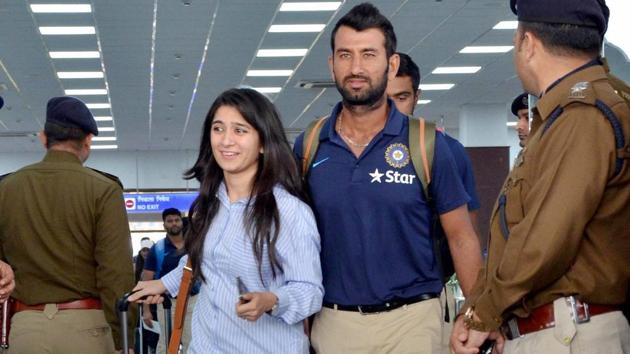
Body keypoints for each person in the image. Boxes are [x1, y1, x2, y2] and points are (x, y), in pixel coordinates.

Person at [293, 3, 482, 353]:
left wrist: (476, 314)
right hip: (333, 323)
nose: (356, 68)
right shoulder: (309, 145)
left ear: (390, 64)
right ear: (331, 64)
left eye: (368, 54)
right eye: (345, 55)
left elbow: (462, 237)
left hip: (411, 321)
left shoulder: (428, 145)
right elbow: (291, 239)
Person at [451, 0, 630, 353]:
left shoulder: (582, 116)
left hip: (568, 333)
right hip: (559, 328)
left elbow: (544, 239)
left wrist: (482, 314)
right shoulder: (571, 112)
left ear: (527, 44)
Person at [129, 88, 323, 353]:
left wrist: (272, 300)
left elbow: (310, 291)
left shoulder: (289, 211)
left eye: (240, 131)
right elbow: (201, 261)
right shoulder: (211, 204)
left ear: (264, 142)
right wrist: (163, 284)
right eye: (218, 129)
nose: (226, 141)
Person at [0, 96, 135, 353]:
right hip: (87, 329)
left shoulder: (6, 188)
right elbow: (115, 272)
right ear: (87, 141)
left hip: (25, 329)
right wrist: (123, 336)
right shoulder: (103, 189)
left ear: (43, 138)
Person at [386, 52, 482, 354]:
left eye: (401, 97)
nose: (392, 109)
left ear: (417, 97)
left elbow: (467, 234)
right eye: (385, 97)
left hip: (428, 299)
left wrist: (474, 308)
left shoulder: (446, 151)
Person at [142, 208, 196, 353]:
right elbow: (147, 280)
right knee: (165, 343)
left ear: (182, 222)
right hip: (167, 304)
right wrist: (146, 310)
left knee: (192, 342)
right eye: (170, 221)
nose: (174, 224)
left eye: (177, 220)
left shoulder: (194, 245)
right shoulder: (157, 249)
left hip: (193, 301)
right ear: (164, 224)